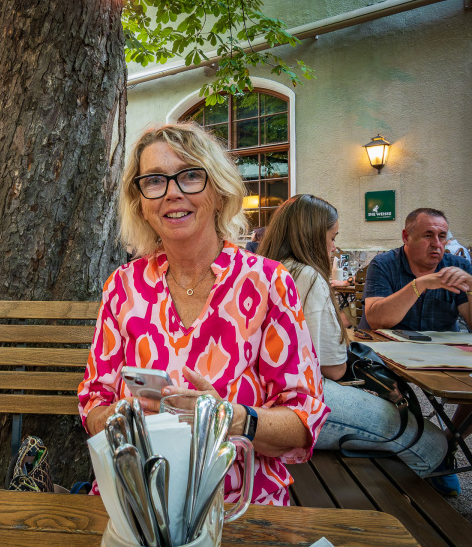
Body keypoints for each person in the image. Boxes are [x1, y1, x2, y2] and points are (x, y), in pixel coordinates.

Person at [77, 123, 328, 507]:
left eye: (191, 175)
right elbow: (93, 405)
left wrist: (228, 418)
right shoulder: (122, 287)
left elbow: (303, 420)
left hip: (241, 505)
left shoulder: (267, 283)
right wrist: (121, 416)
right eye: (155, 181)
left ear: (219, 190)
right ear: (140, 202)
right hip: (140, 499)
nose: (172, 192)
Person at [256, 195, 446, 478]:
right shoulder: (308, 276)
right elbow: (333, 369)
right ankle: (406, 506)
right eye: (332, 237)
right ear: (311, 236)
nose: (333, 248)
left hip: (257, 400)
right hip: (295, 403)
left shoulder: (259, 270)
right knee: (431, 442)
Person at [360, 207, 472, 494]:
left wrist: (471, 289)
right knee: (386, 390)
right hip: (384, 349)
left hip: (441, 350)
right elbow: (377, 319)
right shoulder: (385, 263)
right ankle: (416, 449)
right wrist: (420, 284)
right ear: (406, 237)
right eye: (428, 235)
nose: (437, 244)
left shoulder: (457, 266)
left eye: (442, 236)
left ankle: (445, 445)